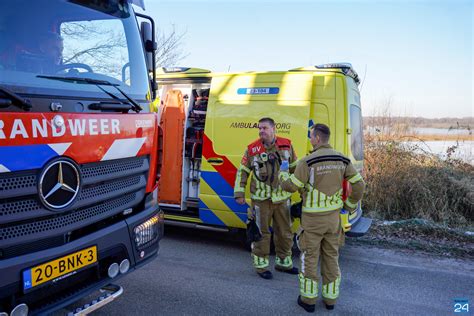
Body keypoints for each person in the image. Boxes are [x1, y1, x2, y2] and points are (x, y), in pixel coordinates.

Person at [279, 123, 365, 312]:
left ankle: (308, 301)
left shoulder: (307, 161)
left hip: (312, 222)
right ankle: (330, 300)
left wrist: (282, 174)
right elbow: (359, 186)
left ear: (317, 138)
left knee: (310, 258)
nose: (310, 139)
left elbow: (290, 186)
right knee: (331, 257)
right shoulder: (342, 159)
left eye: (311, 136)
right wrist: (349, 206)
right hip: (333, 221)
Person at [234, 117, 299, 279]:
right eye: (259, 128)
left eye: (264, 128)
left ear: (273, 128)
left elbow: (295, 170)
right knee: (261, 234)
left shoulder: (287, 145)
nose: (261, 131)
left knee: (284, 232)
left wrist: (303, 191)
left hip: (282, 199)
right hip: (261, 200)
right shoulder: (252, 149)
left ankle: (284, 263)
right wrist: (239, 193)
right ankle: (261, 266)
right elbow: (242, 172)